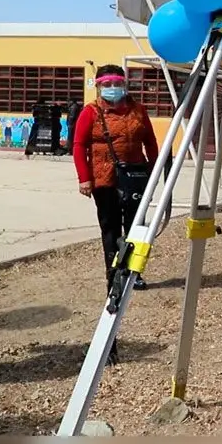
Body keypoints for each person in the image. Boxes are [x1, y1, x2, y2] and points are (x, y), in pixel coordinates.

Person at [73, 65, 159, 296]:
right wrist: (84, 179)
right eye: (107, 85)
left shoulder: (138, 110)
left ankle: (133, 272)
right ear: (99, 86)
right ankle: (113, 277)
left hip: (135, 176)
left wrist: (155, 169)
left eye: (117, 83)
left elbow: (150, 141)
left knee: (135, 226)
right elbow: (79, 146)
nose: (113, 88)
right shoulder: (90, 112)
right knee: (110, 228)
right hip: (104, 180)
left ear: (124, 84)